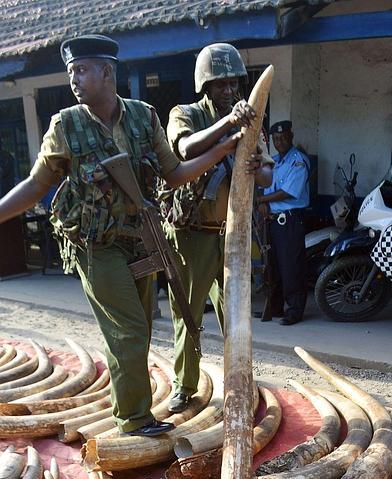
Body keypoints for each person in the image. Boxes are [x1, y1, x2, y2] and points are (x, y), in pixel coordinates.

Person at [0, 34, 242, 437]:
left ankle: (133, 407)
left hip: (141, 239)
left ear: (107, 72)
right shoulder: (66, 125)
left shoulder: (143, 117)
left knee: (141, 329)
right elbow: (36, 184)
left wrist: (222, 149)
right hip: (96, 247)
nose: (74, 79)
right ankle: (133, 419)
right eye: (70, 72)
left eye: (81, 70)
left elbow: (174, 173)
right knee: (128, 329)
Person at [165, 42, 273, 413]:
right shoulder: (186, 113)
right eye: (220, 84)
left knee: (236, 316)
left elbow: (269, 175)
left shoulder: (252, 117)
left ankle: (239, 384)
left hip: (233, 235)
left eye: (233, 84)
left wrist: (257, 163)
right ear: (205, 86)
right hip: (192, 234)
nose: (228, 91)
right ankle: (184, 385)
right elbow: (184, 149)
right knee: (188, 313)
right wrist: (228, 125)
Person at [255, 120, 310, 325]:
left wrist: (262, 201)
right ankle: (276, 307)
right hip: (272, 221)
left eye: (284, 137)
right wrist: (263, 205)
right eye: (276, 139)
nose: (280, 141)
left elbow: (288, 191)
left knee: (291, 268)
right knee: (274, 268)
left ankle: (294, 311)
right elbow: (265, 186)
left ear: (291, 136)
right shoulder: (275, 161)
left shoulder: (298, 161)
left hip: (290, 221)